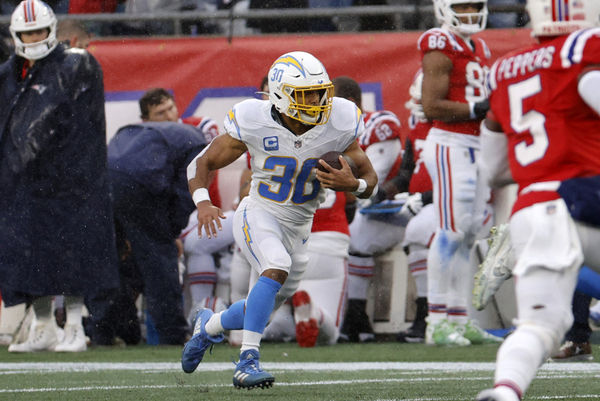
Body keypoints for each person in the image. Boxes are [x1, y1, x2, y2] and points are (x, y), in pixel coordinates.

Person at [181, 51, 377, 389]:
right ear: (282, 94)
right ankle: (247, 361)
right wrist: (203, 203)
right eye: (306, 94)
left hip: (301, 228)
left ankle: (208, 325)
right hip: (259, 212)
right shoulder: (254, 120)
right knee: (275, 265)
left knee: (261, 309)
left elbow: (370, 179)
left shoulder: (339, 121)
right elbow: (202, 163)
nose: (317, 101)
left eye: (320, 92)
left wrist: (354, 185)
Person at [475, 0, 600, 398]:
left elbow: (493, 170)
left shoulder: (503, 69)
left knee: (540, 326)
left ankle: (506, 391)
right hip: (587, 196)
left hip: (532, 209)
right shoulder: (585, 48)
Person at [0, 0, 119, 353]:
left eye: (38, 30)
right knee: (26, 255)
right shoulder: (7, 74)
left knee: (74, 252)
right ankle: (43, 326)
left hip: (70, 178)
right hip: (23, 181)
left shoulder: (76, 64)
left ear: (52, 30)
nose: (34, 38)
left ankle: (75, 325)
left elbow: (74, 124)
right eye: (27, 32)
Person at [419, 0, 502, 346]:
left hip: (475, 144)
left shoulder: (478, 46)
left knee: (469, 235)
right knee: (450, 232)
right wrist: (476, 107)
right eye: (462, 7)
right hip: (449, 143)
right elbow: (431, 105)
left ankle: (459, 316)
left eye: (473, 7)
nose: (469, 14)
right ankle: (435, 320)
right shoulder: (439, 43)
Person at [87, 121, 209, 346]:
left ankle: (104, 331)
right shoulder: (200, 145)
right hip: (139, 182)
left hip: (103, 178)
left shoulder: (143, 129)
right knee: (159, 262)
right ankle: (172, 333)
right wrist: (171, 232)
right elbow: (187, 193)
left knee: (111, 261)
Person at [330, 76, 405, 343]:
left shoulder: (379, 124)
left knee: (356, 238)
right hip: (362, 210)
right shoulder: (335, 133)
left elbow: (371, 183)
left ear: (349, 104)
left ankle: (356, 313)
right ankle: (350, 316)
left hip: (393, 210)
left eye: (331, 102)